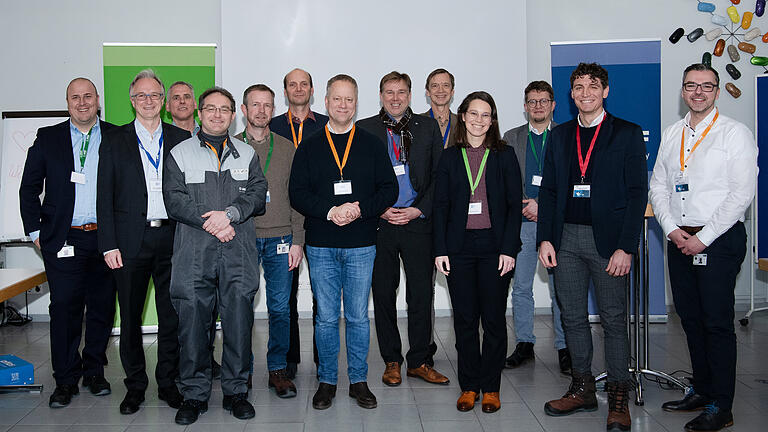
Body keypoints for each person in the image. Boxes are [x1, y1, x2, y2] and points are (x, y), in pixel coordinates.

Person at [538, 63, 647, 432]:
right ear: (571, 94)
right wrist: (545, 238)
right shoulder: (561, 135)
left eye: (593, 86)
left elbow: (637, 195)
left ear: (605, 91)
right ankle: (582, 386)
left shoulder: (627, 134)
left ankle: (619, 394)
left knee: (614, 320)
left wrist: (625, 247)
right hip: (565, 238)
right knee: (572, 317)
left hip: (608, 243)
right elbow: (550, 191)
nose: (585, 93)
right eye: (579, 87)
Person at [649, 63, 758, 432]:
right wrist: (671, 230)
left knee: (716, 323)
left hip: (719, 238)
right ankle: (702, 388)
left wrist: (703, 237)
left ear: (717, 91)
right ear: (682, 91)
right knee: (690, 319)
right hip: (679, 239)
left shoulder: (734, 134)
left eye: (706, 86)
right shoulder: (671, 133)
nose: (698, 92)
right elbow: (659, 186)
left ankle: (721, 406)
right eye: (691, 86)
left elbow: (740, 194)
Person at [289, 74, 397, 410]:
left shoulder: (371, 144)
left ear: (356, 103)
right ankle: (327, 381)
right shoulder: (309, 145)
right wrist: (331, 210)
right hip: (321, 244)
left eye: (349, 99)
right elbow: (297, 193)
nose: (343, 105)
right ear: (326, 102)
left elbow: (389, 190)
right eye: (337, 99)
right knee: (324, 318)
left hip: (362, 243)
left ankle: (358, 381)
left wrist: (360, 209)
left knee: (357, 317)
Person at [163, 86, 267, 425]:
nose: (217, 114)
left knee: (238, 321)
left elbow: (257, 192)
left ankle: (237, 392)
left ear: (233, 113)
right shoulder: (179, 153)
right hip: (194, 252)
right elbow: (174, 200)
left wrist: (231, 215)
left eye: (224, 109)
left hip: (238, 251)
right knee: (193, 324)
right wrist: (213, 222)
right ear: (199, 112)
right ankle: (194, 395)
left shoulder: (247, 153)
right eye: (210, 108)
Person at [19, 77, 117, 408]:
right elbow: (28, 189)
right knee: (63, 308)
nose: (82, 102)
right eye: (75, 97)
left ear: (98, 100)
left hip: (106, 237)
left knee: (102, 308)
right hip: (63, 238)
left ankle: (94, 371)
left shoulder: (117, 136)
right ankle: (65, 379)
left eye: (88, 96)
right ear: (67, 102)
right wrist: (36, 233)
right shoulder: (48, 138)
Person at [97, 70, 190, 415]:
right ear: (132, 101)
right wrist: (108, 244)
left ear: (163, 101)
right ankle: (135, 386)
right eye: (141, 96)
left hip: (174, 236)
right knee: (131, 317)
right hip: (129, 242)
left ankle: (168, 383)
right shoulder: (115, 139)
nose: (148, 101)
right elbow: (103, 196)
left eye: (154, 95)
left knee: (171, 317)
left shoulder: (182, 138)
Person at [433, 91, 522, 414]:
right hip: (458, 250)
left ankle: (492, 387)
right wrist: (440, 249)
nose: (479, 120)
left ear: (493, 120)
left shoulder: (504, 155)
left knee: (495, 321)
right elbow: (440, 206)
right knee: (465, 322)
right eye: (474, 114)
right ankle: (469, 386)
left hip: (495, 249)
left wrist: (509, 249)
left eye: (486, 115)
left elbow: (514, 207)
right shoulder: (449, 157)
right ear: (464, 116)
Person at [358, 71, 448, 387]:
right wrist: (379, 209)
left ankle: (419, 361)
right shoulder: (365, 129)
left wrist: (418, 209)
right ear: (381, 96)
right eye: (389, 92)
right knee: (383, 294)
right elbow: (357, 178)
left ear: (410, 96)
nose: (395, 98)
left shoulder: (427, 128)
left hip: (417, 222)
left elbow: (440, 177)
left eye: (401, 92)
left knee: (421, 295)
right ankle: (392, 361)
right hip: (380, 224)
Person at [235, 83, 303, 398]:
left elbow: (297, 198)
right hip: (242, 239)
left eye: (267, 105)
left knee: (279, 308)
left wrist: (298, 240)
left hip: (281, 238)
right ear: (244, 110)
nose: (261, 111)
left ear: (273, 110)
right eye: (255, 105)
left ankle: (277, 368)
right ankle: (242, 369)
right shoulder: (230, 146)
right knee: (241, 308)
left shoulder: (288, 148)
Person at [501, 80, 571, 374]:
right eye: (532, 101)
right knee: (521, 287)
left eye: (543, 101)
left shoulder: (567, 136)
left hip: (557, 225)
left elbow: (571, 180)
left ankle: (565, 346)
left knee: (562, 290)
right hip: (522, 222)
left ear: (553, 105)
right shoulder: (511, 136)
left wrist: (543, 206)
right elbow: (503, 178)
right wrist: (524, 204)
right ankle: (525, 344)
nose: (538, 106)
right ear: (525, 105)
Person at [270, 68, 329, 378]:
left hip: (319, 217)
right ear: (285, 91)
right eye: (292, 84)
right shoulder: (273, 125)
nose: (298, 88)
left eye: (303, 83)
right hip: (284, 219)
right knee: (286, 293)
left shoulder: (326, 126)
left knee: (323, 294)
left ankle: (324, 359)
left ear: (312, 89)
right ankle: (289, 358)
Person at [422, 68, 457, 148]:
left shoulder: (462, 124)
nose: (440, 90)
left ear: (452, 92)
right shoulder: (417, 123)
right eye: (435, 86)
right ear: (427, 92)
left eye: (446, 85)